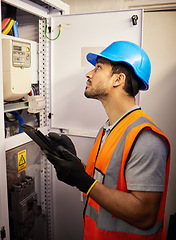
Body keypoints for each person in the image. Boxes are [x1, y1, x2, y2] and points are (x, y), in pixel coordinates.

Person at [45, 41, 171, 240]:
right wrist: (75, 165)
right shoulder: (110, 128)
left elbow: (145, 215)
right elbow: (106, 182)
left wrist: (83, 181)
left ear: (118, 79)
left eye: (98, 68)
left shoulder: (145, 137)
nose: (89, 74)